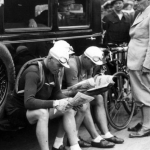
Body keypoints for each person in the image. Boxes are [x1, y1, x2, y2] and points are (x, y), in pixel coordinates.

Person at [5, 42, 83, 150]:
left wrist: (69, 100)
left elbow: (56, 93)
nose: (60, 69)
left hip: (38, 107)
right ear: (50, 58)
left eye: (62, 66)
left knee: (68, 108)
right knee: (42, 113)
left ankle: (73, 146)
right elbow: (28, 102)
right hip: (17, 111)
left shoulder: (53, 71)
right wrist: (55, 103)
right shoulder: (33, 72)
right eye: (59, 65)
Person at [52, 45, 124, 150]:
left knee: (98, 97)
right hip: (64, 93)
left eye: (95, 64)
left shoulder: (89, 65)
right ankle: (94, 137)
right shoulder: (73, 65)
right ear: (85, 57)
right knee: (84, 102)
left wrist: (100, 86)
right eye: (92, 63)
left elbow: (90, 84)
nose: (93, 66)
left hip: (74, 92)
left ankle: (105, 133)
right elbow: (73, 90)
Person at [127, 0, 150, 138]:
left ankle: (147, 126)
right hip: (136, 61)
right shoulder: (142, 13)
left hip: (142, 62)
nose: (134, 2)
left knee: (145, 93)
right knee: (139, 94)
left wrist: (148, 64)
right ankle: (144, 122)